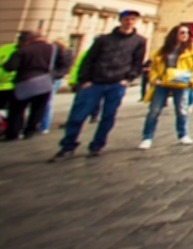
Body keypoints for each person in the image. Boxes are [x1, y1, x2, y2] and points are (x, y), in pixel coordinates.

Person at [53, 10, 146, 159]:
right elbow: (89, 59)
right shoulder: (104, 39)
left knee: (108, 116)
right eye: (127, 19)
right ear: (121, 20)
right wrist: (85, 80)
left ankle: (97, 145)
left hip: (117, 82)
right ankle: (68, 145)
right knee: (78, 115)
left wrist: (128, 79)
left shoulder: (139, 41)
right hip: (95, 82)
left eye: (133, 19)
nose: (130, 22)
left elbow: (137, 62)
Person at [139, 25, 193, 149]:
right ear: (175, 34)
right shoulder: (163, 50)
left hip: (182, 82)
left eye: (188, 33)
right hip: (163, 81)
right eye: (182, 32)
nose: (185, 35)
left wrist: (192, 79)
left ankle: (183, 135)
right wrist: (154, 78)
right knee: (154, 110)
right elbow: (154, 66)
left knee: (182, 110)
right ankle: (147, 137)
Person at [3, 31, 61, 140]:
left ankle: (13, 133)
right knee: (38, 108)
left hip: (25, 82)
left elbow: (10, 66)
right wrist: (56, 74)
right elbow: (62, 63)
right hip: (44, 81)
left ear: (25, 40)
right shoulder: (53, 49)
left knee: (17, 109)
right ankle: (30, 130)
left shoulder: (22, 50)